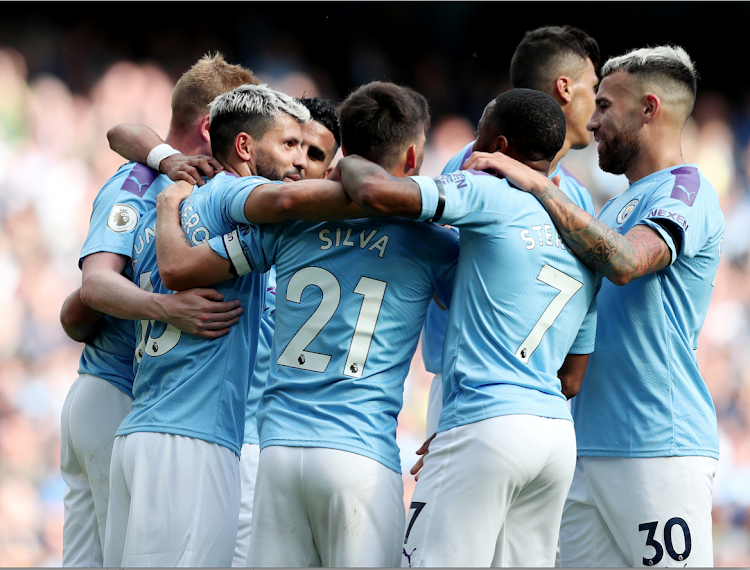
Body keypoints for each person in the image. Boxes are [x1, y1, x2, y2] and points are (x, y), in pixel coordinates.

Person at [153, 80, 459, 567]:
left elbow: (179, 270)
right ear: (412, 158)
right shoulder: (433, 243)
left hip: (278, 455)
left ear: (342, 155)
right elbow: (478, 325)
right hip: (358, 457)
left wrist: (167, 206)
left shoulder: (289, 226)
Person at [464, 45, 723, 568]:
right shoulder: (613, 205)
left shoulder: (686, 191)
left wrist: (536, 182)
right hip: (583, 447)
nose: (592, 119)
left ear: (648, 109)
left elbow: (627, 261)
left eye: (605, 105)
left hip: (657, 446)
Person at [337, 88, 598, 567]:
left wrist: (349, 160)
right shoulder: (583, 233)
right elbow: (573, 378)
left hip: (486, 419)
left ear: (498, 147)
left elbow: (378, 192)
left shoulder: (489, 190)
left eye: (478, 135)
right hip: (554, 440)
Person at [102, 83, 320, 567]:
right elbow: (286, 204)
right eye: (289, 145)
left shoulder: (172, 207)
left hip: (140, 433)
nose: (300, 162)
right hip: (193, 442)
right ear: (244, 147)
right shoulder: (235, 193)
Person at [57, 52, 255, 567]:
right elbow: (94, 286)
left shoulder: (186, 181)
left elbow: (76, 311)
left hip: (117, 396)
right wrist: (167, 308)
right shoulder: (142, 183)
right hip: (120, 389)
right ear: (215, 126)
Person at [417, 24, 600, 448]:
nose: (599, 101)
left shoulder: (577, 196)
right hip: (471, 391)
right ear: (565, 88)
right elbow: (441, 275)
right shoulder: (477, 167)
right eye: (594, 86)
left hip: (538, 397)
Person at [232, 95, 341, 567]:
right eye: (291, 145)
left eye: (315, 154)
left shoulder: (346, 244)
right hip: (234, 445)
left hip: (304, 451)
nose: (299, 162)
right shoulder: (233, 209)